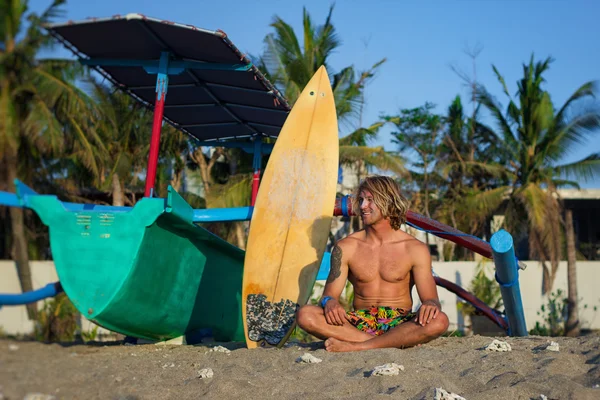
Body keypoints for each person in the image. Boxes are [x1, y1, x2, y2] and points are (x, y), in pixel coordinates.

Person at [296, 175, 449, 352]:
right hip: (358, 321)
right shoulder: (346, 247)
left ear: (389, 202)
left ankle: (358, 346)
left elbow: (431, 299)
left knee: (440, 320)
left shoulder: (415, 249)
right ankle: (385, 343)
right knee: (306, 315)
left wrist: (430, 305)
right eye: (361, 200)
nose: (362, 207)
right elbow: (329, 295)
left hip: (399, 322)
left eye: (370, 200)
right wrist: (330, 303)